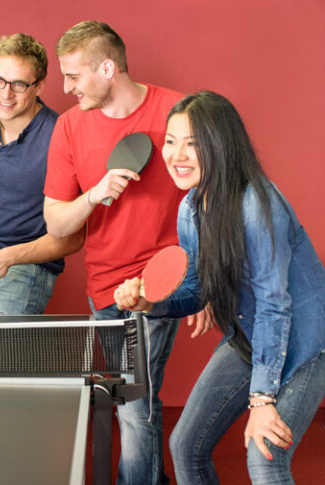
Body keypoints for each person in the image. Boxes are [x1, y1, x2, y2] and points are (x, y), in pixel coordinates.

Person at [114, 90, 325, 484]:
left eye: (193, 144)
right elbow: (196, 290)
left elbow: (274, 306)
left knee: (264, 456)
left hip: (305, 341)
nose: (177, 155)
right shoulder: (190, 209)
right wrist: (148, 302)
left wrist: (262, 400)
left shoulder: (258, 205)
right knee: (185, 446)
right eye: (171, 142)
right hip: (251, 337)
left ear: (221, 146)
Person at [43, 21, 195, 484]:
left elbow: (212, 195)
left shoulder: (176, 112)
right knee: (125, 402)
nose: (66, 88)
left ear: (108, 68)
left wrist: (203, 280)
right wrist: (92, 195)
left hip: (156, 285)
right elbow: (56, 221)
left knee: (132, 405)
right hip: (103, 289)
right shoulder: (69, 126)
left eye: (74, 76)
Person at [0, 33, 83, 315]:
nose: (6, 94)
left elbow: (74, 236)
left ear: (40, 86)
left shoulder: (59, 135)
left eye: (19, 84)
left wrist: (8, 257)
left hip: (28, 263)